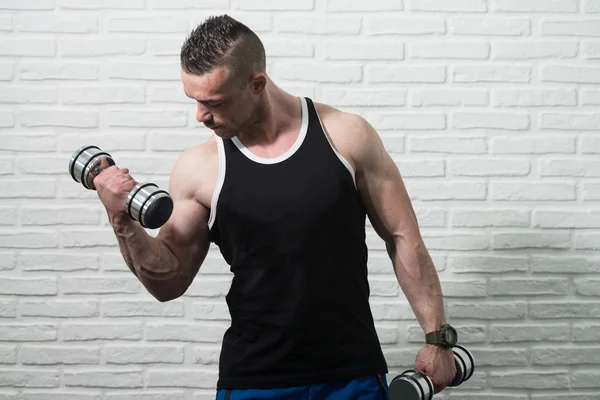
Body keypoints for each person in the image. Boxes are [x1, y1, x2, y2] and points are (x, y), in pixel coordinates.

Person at [93, 14, 457, 400]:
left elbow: (402, 236)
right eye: (194, 100)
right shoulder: (200, 168)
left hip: (352, 373)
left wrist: (438, 338)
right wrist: (122, 220)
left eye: (213, 102)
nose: (200, 115)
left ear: (257, 84)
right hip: (253, 379)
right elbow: (168, 282)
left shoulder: (345, 136)